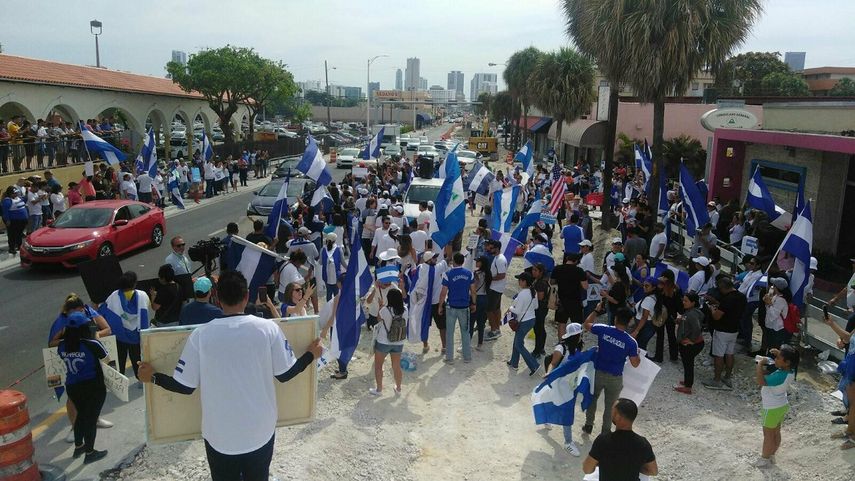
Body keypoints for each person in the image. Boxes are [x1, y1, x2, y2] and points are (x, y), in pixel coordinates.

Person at [138, 270, 323, 481]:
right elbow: (286, 373)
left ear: (218, 299)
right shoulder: (267, 329)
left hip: (219, 436)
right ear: (246, 297)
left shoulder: (201, 335)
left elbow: (185, 387)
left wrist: (152, 377)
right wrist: (311, 355)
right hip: (260, 431)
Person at [57, 312, 111, 464]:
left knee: (81, 416)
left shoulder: (62, 346)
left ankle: (79, 446)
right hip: (93, 386)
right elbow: (106, 360)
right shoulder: (91, 343)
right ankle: (90, 452)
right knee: (91, 419)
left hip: (73, 387)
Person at [582, 305, 641, 435]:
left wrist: (596, 310)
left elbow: (586, 324)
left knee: (592, 398)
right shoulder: (631, 342)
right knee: (611, 407)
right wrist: (638, 355)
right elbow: (635, 364)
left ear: (615, 318)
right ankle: (605, 433)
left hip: (598, 372)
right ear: (629, 321)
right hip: (615, 378)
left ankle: (588, 425)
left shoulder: (603, 329)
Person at [583, 398, 658, 479]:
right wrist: (637, 467)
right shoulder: (643, 443)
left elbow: (587, 469)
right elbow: (653, 471)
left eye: (612, 410)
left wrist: (600, 463)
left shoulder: (603, 440)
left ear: (617, 416)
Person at [754, 345, 800, 467]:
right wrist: (780, 353)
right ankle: (772, 454)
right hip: (781, 405)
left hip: (771, 408)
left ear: (787, 362)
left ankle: (764, 458)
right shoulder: (790, 370)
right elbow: (787, 361)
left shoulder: (779, 375)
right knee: (776, 432)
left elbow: (760, 381)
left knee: (768, 435)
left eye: (779, 357)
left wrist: (759, 364)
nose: (775, 359)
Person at [102, 271, 150, 381]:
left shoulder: (114, 296)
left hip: (120, 337)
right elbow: (147, 308)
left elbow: (104, 311)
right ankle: (141, 380)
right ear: (134, 284)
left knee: (120, 361)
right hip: (137, 338)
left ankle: (120, 382)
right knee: (137, 360)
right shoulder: (142, 295)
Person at [703, 276, 747, 390]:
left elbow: (717, 316)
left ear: (722, 288)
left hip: (722, 330)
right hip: (734, 329)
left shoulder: (727, 299)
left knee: (719, 355)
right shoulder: (741, 296)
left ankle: (716, 380)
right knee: (729, 353)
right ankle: (727, 377)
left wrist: (712, 309)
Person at [438, 252, 476, 364]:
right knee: (465, 332)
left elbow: (443, 293)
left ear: (453, 261)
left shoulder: (447, 274)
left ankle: (449, 358)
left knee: (450, 333)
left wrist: (440, 305)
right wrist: (474, 303)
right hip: (464, 306)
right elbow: (473, 291)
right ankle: (467, 357)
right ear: (463, 261)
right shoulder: (469, 274)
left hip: (451, 307)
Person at [370, 289, 408, 396]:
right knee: (396, 366)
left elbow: (378, 319)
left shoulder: (385, 310)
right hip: (398, 342)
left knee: (378, 365)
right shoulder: (405, 310)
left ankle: (379, 389)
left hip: (383, 341)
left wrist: (381, 306)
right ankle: (398, 388)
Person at [506, 272, 540, 375]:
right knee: (517, 341)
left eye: (520, 280)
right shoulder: (533, 292)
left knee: (518, 344)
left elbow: (518, 311)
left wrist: (510, 308)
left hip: (524, 321)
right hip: (531, 319)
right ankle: (514, 363)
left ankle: (534, 365)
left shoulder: (522, 293)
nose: (518, 281)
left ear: (524, 281)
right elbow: (536, 307)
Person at [674, 292, 705, 395]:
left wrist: (691, 340)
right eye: (683, 300)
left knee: (688, 364)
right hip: (694, 343)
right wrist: (681, 320)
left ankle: (688, 387)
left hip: (691, 344)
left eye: (686, 301)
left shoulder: (691, 314)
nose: (683, 302)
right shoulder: (693, 312)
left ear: (693, 303)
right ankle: (687, 381)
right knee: (687, 363)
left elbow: (696, 328)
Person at [551, 253, 588, 338]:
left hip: (561, 301)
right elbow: (585, 286)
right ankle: (576, 344)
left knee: (561, 323)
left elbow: (552, 282)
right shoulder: (579, 271)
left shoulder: (558, 269)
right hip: (575, 301)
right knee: (577, 324)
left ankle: (561, 343)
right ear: (576, 261)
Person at [485, 240, 508, 341]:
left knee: (489, 310)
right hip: (497, 287)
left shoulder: (500, 260)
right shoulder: (497, 258)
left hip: (495, 288)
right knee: (496, 308)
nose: (489, 249)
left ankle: (494, 330)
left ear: (496, 248)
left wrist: (490, 279)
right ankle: (497, 327)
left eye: (491, 247)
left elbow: (502, 275)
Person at [763, 277, 791, 351]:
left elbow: (773, 315)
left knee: (774, 350)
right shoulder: (775, 296)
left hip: (777, 329)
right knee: (770, 347)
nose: (772, 287)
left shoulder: (781, 300)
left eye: (773, 286)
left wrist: (769, 303)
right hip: (771, 326)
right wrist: (767, 302)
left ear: (776, 288)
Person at [470, 256, 491, 350]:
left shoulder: (476, 273)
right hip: (485, 298)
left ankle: (468, 343)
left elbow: (474, 287)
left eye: (478, 261)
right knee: (481, 322)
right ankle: (480, 343)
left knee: (471, 321)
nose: (476, 262)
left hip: (477, 298)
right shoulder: (488, 273)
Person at [530, 263, 550, 358]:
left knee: (538, 329)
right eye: (533, 270)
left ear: (541, 272)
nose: (533, 272)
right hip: (541, 307)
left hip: (540, 308)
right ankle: (541, 348)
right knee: (540, 328)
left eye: (535, 270)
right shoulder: (539, 280)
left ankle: (537, 351)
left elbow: (540, 297)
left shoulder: (541, 283)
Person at [2, 186, 29, 254]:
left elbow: (25, 199)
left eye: (17, 193)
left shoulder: (18, 198)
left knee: (19, 234)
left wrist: (27, 192)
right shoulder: (7, 201)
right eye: (15, 193)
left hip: (21, 221)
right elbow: (5, 212)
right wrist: (7, 220)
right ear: (10, 194)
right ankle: (12, 248)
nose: (16, 194)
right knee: (12, 235)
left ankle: (19, 246)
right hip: (14, 221)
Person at [320, 232, 345, 301]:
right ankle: (336, 308)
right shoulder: (339, 249)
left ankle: (329, 309)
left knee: (328, 293)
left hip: (326, 275)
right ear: (335, 240)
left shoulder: (322, 249)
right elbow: (343, 262)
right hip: (336, 275)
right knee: (336, 293)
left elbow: (320, 262)